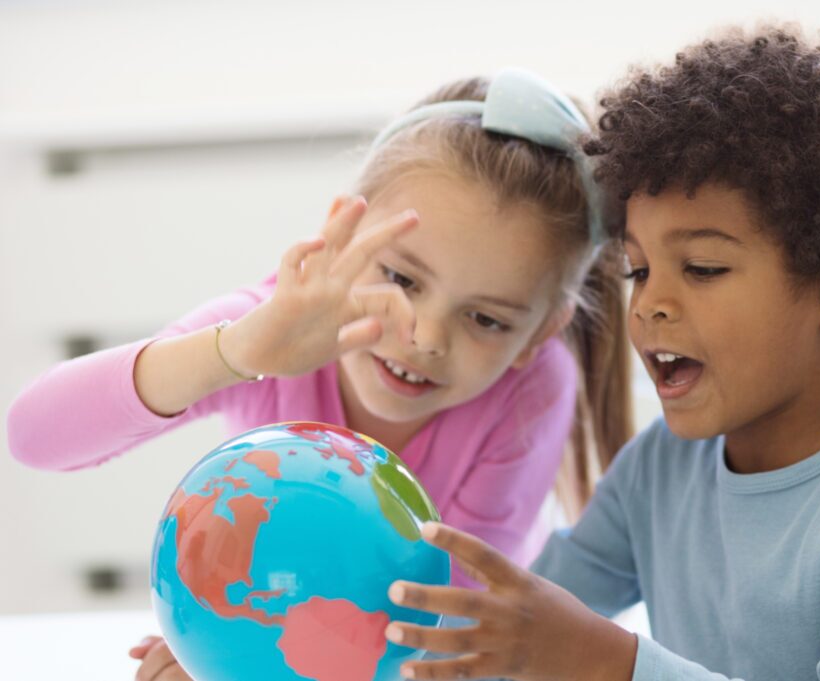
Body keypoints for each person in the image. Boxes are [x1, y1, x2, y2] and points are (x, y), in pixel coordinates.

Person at [382, 26, 820, 681]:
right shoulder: (658, 470)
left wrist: (606, 659)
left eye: (703, 267)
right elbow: (524, 615)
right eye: (639, 270)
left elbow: (576, 642)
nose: (652, 303)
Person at [6, 69, 633, 680]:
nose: (425, 336)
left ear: (542, 333)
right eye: (402, 278)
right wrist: (234, 353)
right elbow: (33, 436)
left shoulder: (533, 389)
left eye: (486, 320)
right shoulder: (268, 328)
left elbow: (442, 638)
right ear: (342, 236)